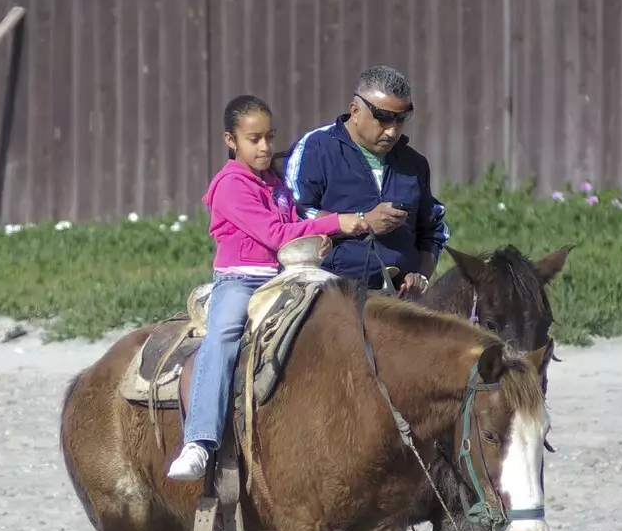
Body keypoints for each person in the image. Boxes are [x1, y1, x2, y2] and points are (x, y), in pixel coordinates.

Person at [166, 94, 404, 483]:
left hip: (286, 275)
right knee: (224, 334)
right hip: (241, 280)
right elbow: (276, 234)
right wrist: (341, 223)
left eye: (269, 137)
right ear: (231, 141)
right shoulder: (229, 185)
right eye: (253, 139)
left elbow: (294, 224)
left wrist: (317, 244)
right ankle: (199, 440)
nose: (264, 147)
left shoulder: (275, 184)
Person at [283, 64, 448, 297]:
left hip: (399, 301)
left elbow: (433, 230)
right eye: (383, 118)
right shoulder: (316, 148)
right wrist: (362, 221)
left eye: (401, 119)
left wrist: (420, 276)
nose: (392, 131)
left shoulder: (414, 164)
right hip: (328, 294)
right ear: (355, 111)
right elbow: (293, 214)